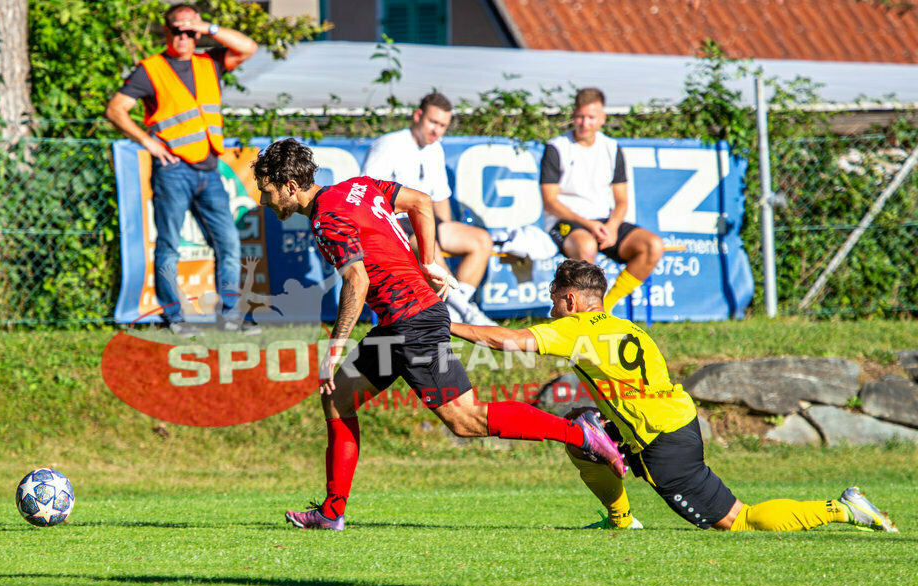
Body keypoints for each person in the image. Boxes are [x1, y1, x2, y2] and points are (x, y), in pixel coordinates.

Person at [252, 138, 625, 531]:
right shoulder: (356, 187)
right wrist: (427, 261)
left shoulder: (327, 219)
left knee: (465, 420)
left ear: (290, 186)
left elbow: (357, 282)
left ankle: (577, 432)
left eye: (267, 191)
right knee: (338, 398)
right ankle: (331, 512)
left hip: (413, 321)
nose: (264, 200)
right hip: (399, 322)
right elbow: (421, 202)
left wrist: (334, 348)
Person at [451, 258, 899, 533]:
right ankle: (621, 520)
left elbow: (505, 340)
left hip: (663, 441)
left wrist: (446, 325)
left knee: (737, 519)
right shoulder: (625, 327)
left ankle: (842, 510)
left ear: (570, 299)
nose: (551, 306)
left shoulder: (573, 327)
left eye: (554, 297)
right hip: (667, 421)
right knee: (582, 432)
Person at [105, 3, 258, 334]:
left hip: (210, 169)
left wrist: (210, 28)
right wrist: (148, 142)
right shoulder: (151, 70)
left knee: (229, 242)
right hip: (173, 170)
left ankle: (231, 316)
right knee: (169, 246)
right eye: (178, 29)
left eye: (191, 30)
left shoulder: (210, 62)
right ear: (167, 31)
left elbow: (248, 47)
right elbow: (116, 109)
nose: (185, 36)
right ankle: (175, 318)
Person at [363, 92, 495, 326]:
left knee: (481, 240)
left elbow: (441, 196)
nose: (437, 130)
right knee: (429, 245)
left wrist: (444, 228)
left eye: (443, 125)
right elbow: (369, 193)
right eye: (433, 122)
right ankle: (469, 314)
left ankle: (454, 310)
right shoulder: (389, 144)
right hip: (393, 224)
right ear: (418, 116)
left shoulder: (436, 149)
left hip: (425, 221)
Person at [540, 88, 664, 315]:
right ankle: (577, 319)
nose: (584, 123)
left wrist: (613, 226)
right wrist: (588, 224)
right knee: (586, 248)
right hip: (566, 221)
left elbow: (622, 201)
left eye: (591, 117)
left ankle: (605, 308)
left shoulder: (611, 148)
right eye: (580, 116)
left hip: (603, 222)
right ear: (573, 115)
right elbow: (550, 202)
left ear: (603, 118)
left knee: (652, 245)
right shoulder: (556, 147)